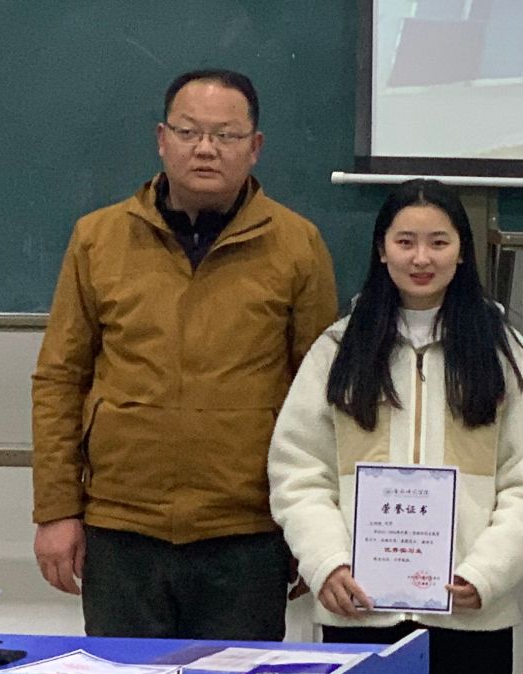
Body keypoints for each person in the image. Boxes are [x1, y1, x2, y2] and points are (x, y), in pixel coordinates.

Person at [30, 69, 338, 640]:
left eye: (226, 135)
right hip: (121, 524)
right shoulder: (98, 238)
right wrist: (56, 510)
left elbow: (319, 393)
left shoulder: (298, 244)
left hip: (247, 530)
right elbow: (59, 379)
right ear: (161, 139)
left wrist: (313, 528)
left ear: (255, 147)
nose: (205, 149)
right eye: (189, 131)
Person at [268, 179, 523, 674]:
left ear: (462, 251)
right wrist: (327, 564)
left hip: (469, 614)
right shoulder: (338, 349)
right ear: (381, 249)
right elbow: (299, 471)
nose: (421, 258)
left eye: (438, 242)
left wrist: (486, 574)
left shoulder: (505, 353)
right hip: (360, 610)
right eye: (406, 242)